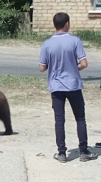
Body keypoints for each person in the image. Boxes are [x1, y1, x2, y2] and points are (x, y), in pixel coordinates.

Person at [38, 12, 98, 163]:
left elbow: (42, 67)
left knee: (59, 120)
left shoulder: (47, 43)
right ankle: (84, 152)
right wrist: (73, 68)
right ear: (67, 24)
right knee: (80, 118)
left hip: (56, 87)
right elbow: (84, 64)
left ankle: (62, 153)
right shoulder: (75, 41)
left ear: (54, 25)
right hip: (73, 86)